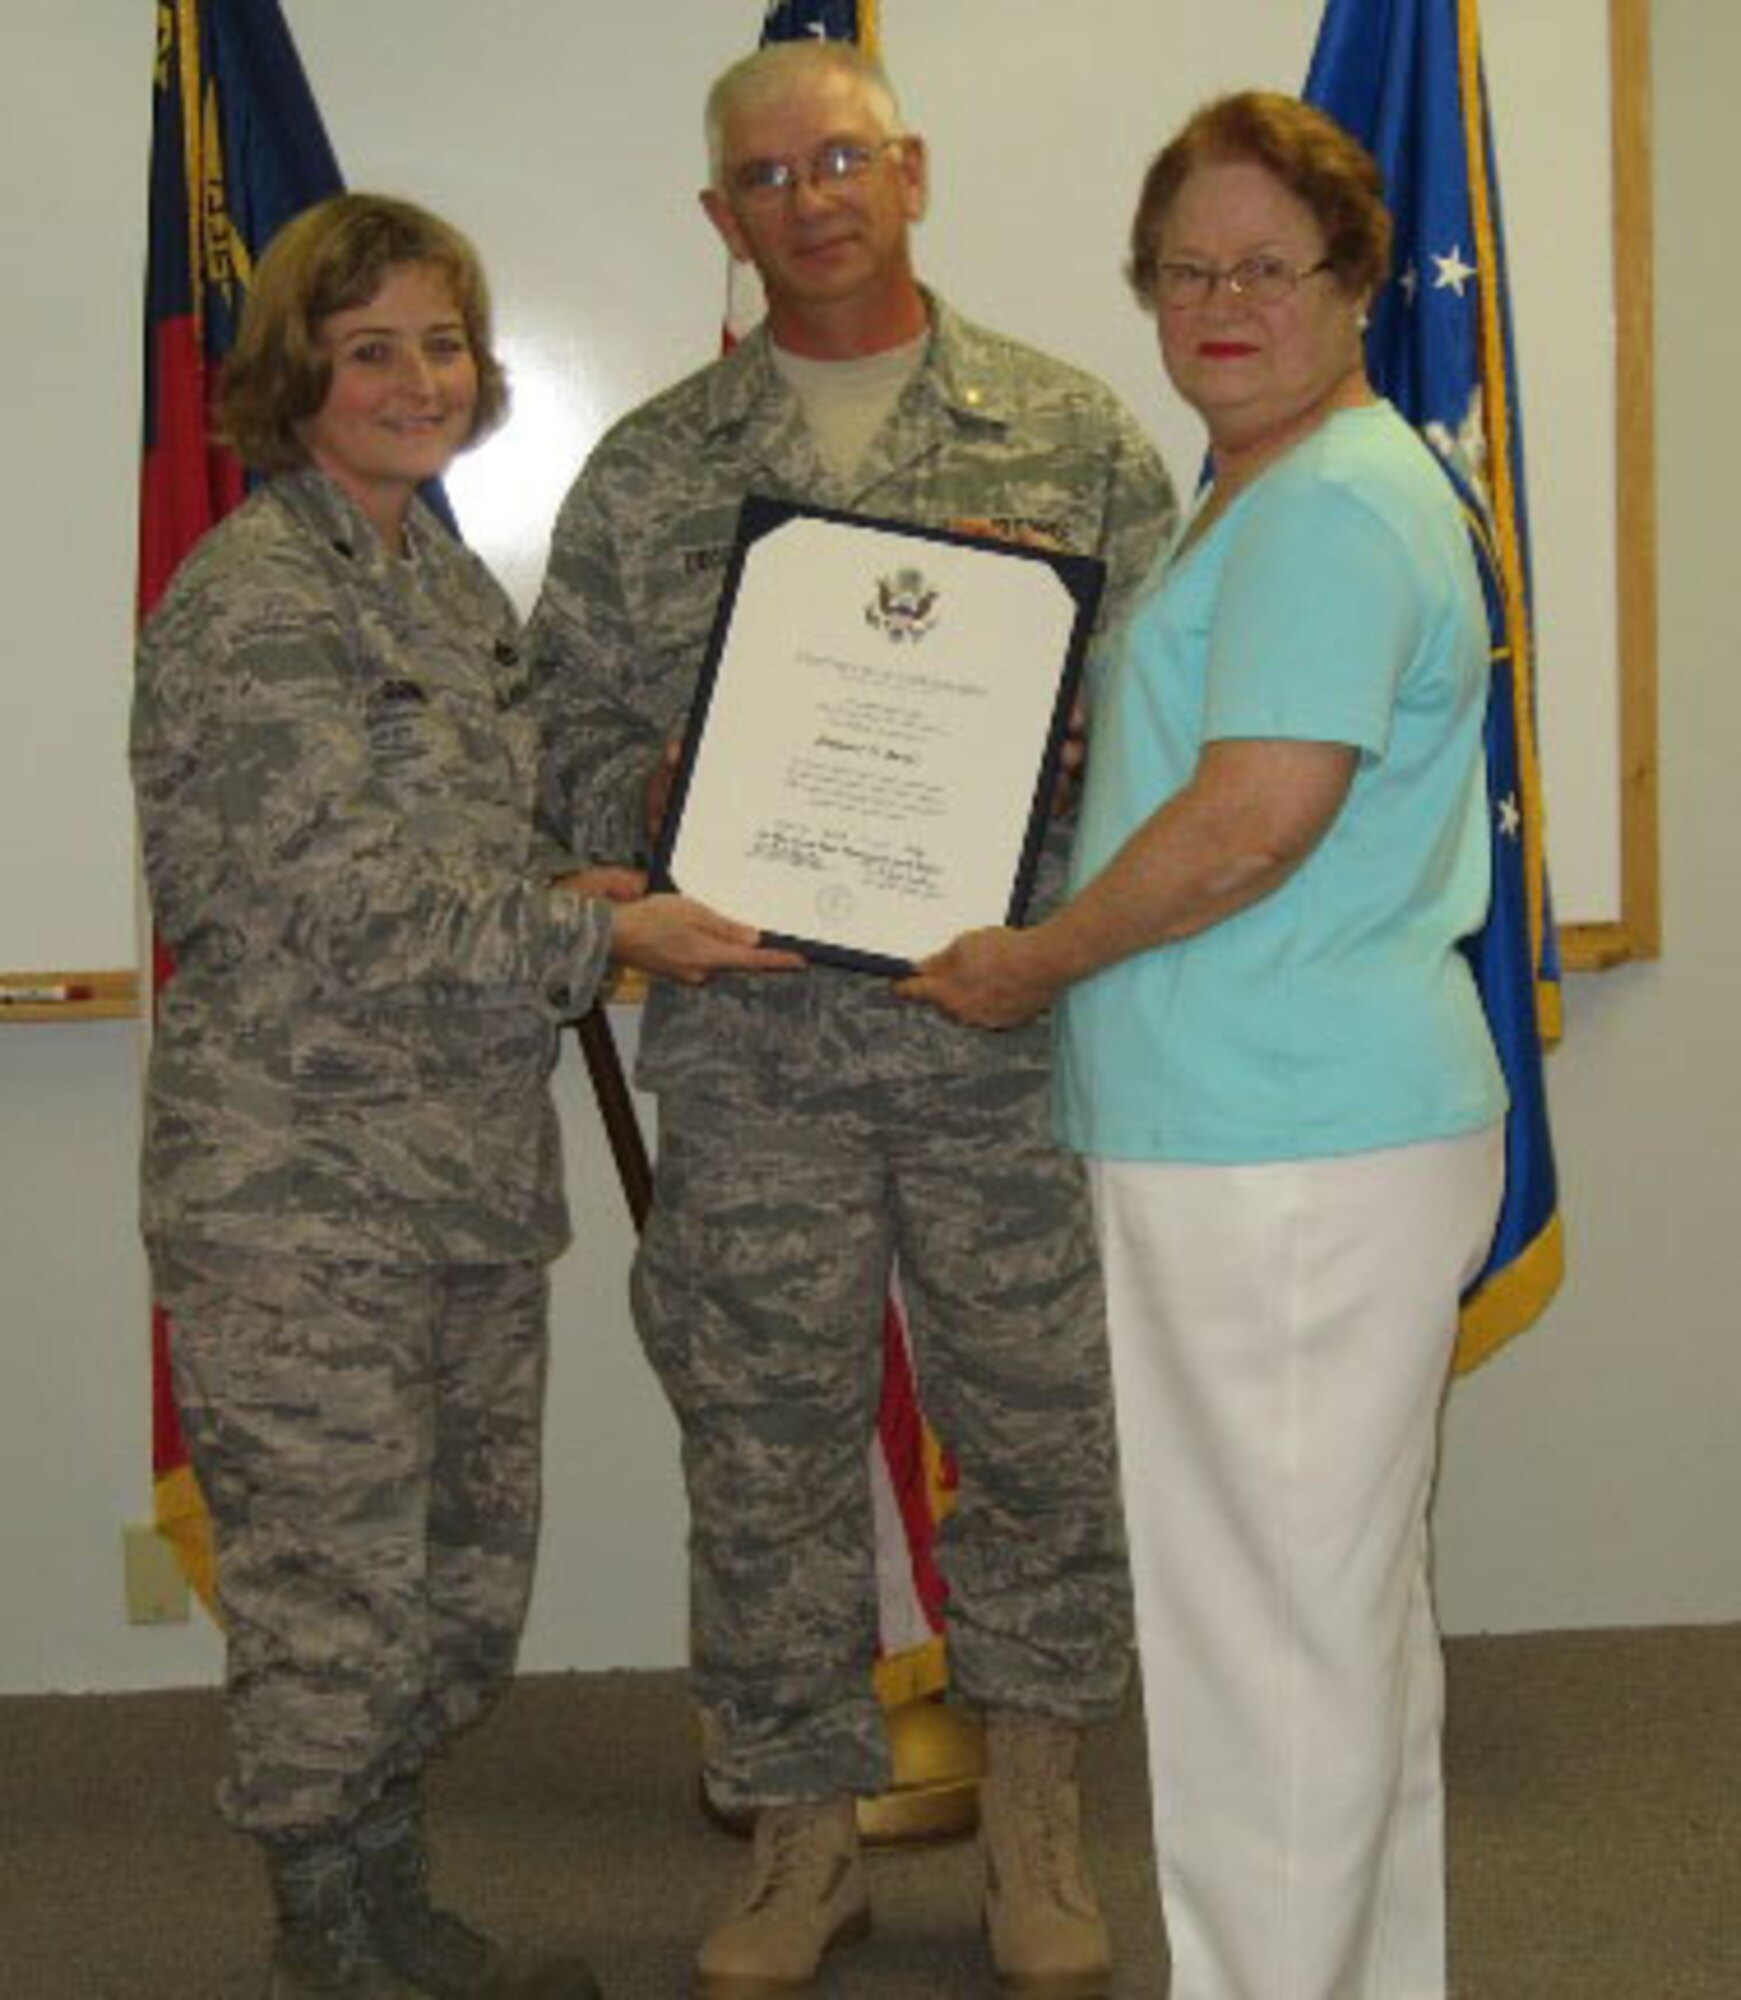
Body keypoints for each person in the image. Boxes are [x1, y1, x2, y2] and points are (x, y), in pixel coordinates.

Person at [525, 40, 1176, 2000]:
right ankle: (799, 1843)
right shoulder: (652, 468)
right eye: (764, 175)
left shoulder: (1069, 440)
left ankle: (1035, 1829)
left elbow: (1167, 743)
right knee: (766, 1448)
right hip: (752, 1050)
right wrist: (641, 847)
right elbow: (559, 756)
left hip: (1005, 1038)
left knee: (1045, 1439)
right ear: (723, 217)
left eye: (841, 158)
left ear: (910, 173)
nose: (808, 197)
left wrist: (1062, 762)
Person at [131, 192, 799, 2000]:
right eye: (372, 350)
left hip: (457, 1185)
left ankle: (391, 1903)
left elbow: (458, 861)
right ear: (298, 377)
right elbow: (336, 902)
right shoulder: (258, 599)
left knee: (448, 1584)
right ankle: (335, 1942)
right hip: (303, 1200)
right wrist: (608, 937)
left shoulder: (433, 580)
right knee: (334, 1598)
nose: (418, 380)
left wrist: (582, 890)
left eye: (442, 342)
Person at [901, 91, 1510, 2000]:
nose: (1220, 301)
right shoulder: (1260, 490)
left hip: (1287, 1152)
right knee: (1330, 1625)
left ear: (1351, 288)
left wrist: (1034, 961)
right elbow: (1195, 762)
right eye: (1185, 271)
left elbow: (1256, 817)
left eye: (1268, 266)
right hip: (1274, 1131)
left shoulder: (1329, 501)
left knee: (1267, 1641)